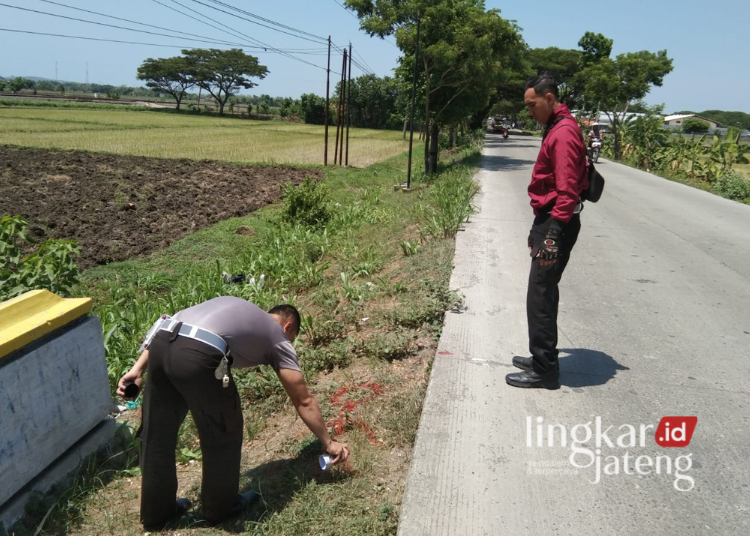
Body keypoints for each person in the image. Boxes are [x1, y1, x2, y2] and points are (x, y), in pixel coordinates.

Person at [117, 298, 350, 529]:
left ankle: (156, 513)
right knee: (224, 429)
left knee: (157, 433)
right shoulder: (277, 336)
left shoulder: (238, 312)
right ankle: (220, 507)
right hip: (197, 352)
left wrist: (137, 370)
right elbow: (303, 399)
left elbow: (171, 323)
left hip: (161, 343)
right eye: (293, 338)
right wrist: (328, 442)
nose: (290, 344)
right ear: (287, 327)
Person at [505, 74, 588, 390]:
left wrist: (551, 232)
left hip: (558, 221)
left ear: (549, 97)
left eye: (532, 105)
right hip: (551, 219)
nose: (529, 112)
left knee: (539, 295)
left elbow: (566, 192)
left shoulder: (564, 133)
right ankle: (542, 357)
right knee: (542, 292)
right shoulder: (558, 126)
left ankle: (544, 370)